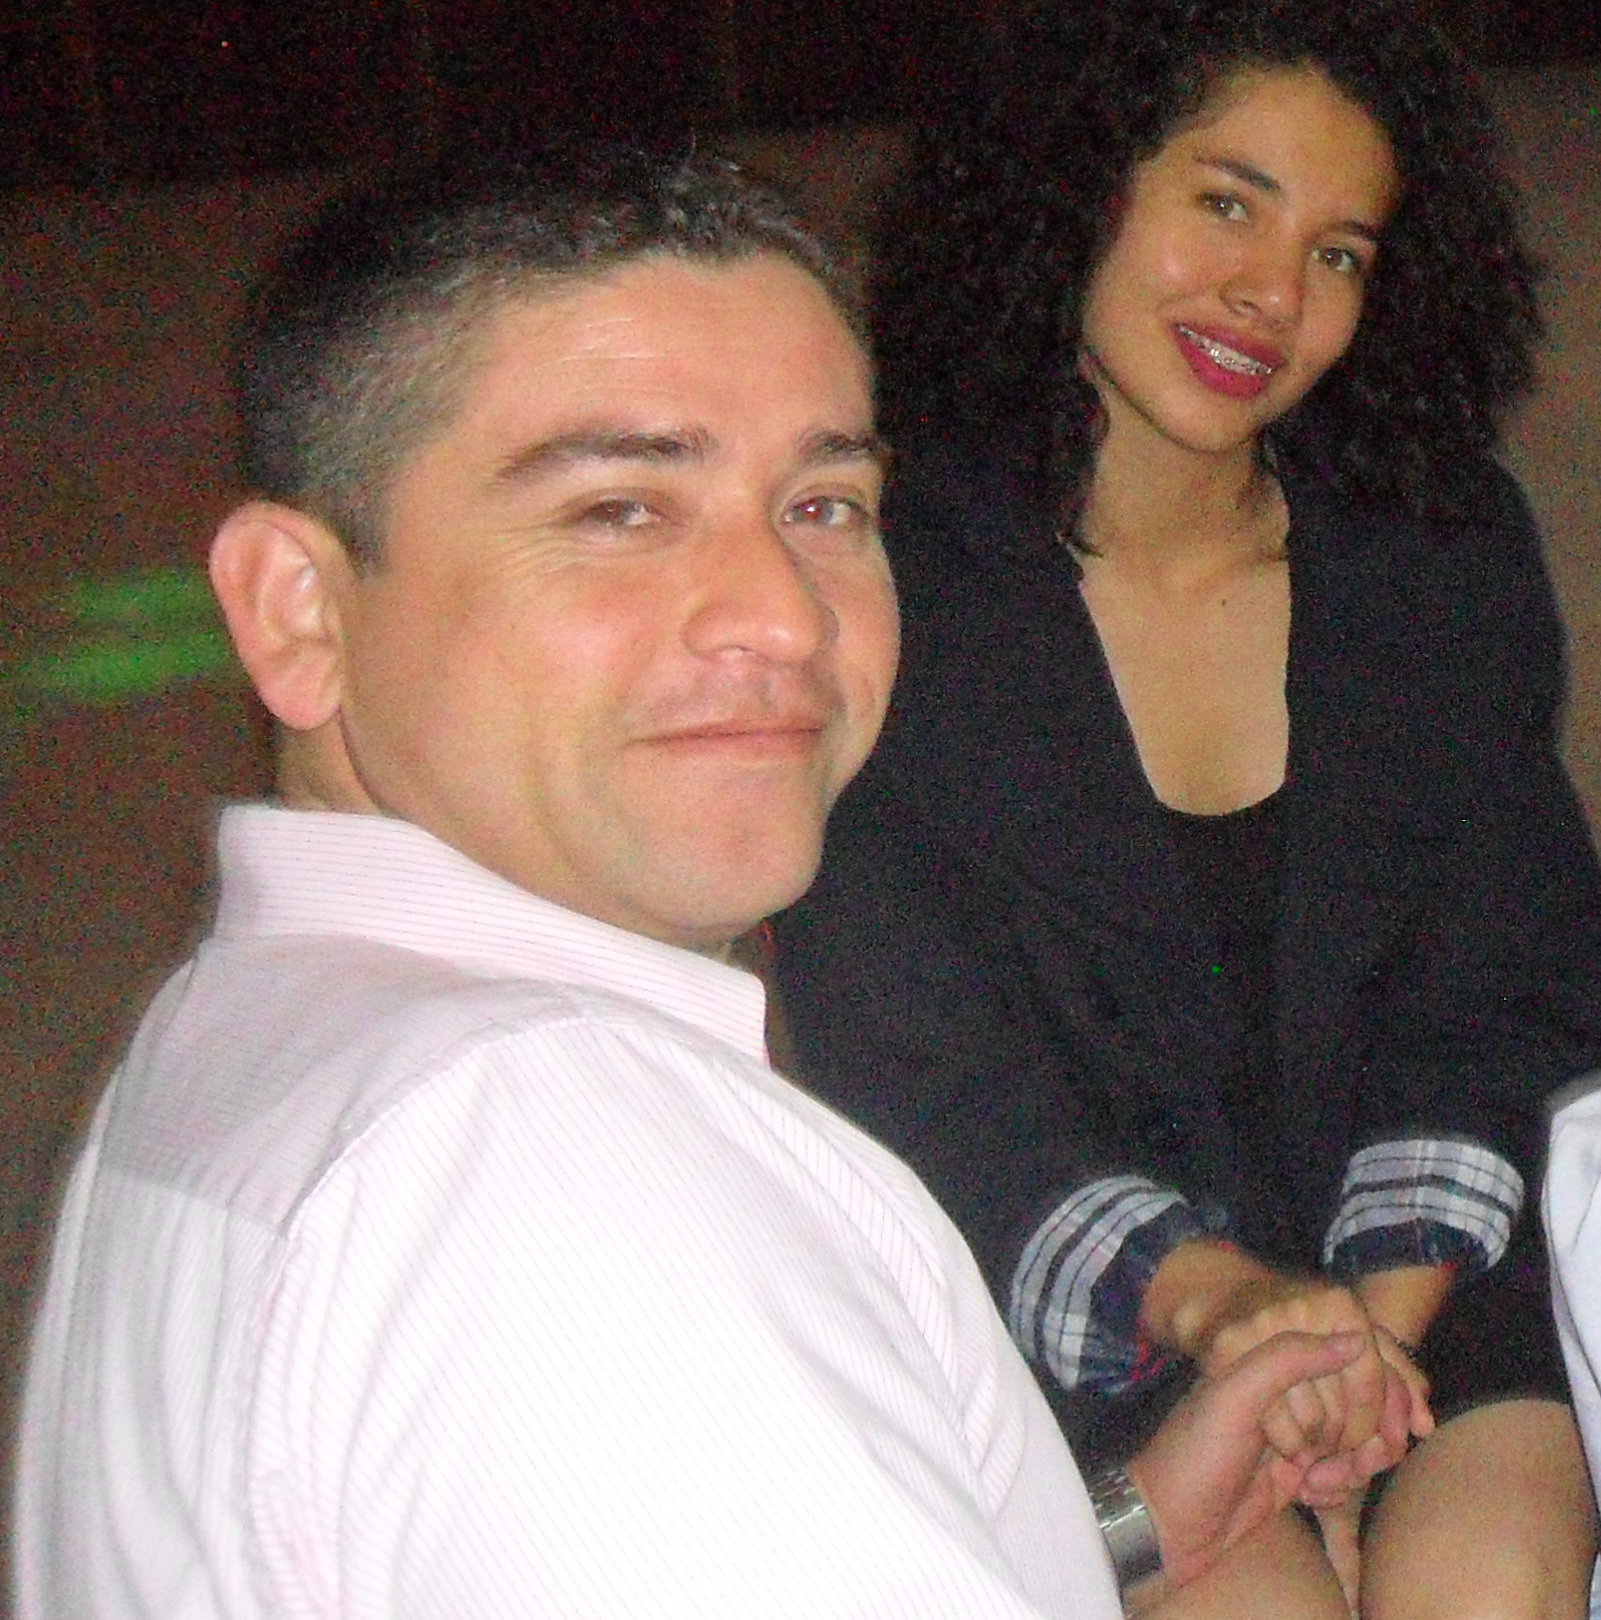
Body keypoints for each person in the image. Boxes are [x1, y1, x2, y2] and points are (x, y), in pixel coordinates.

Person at [19, 141, 1393, 1616]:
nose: (786, 618)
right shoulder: (563, 1178)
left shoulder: (239, 1033)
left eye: (824, 506)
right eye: (621, 509)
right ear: (301, 611)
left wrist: (1116, 1536)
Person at [775, 0, 1601, 1620]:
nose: (1270, 295)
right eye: (1225, 204)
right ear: (1079, 187)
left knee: (1482, 1577)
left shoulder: (1435, 544)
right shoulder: (883, 588)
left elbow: (1512, 984)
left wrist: (1361, 1340)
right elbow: (927, 1077)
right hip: (1077, 1280)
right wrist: (1224, 1305)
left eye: (1338, 253)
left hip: (1432, 1236)